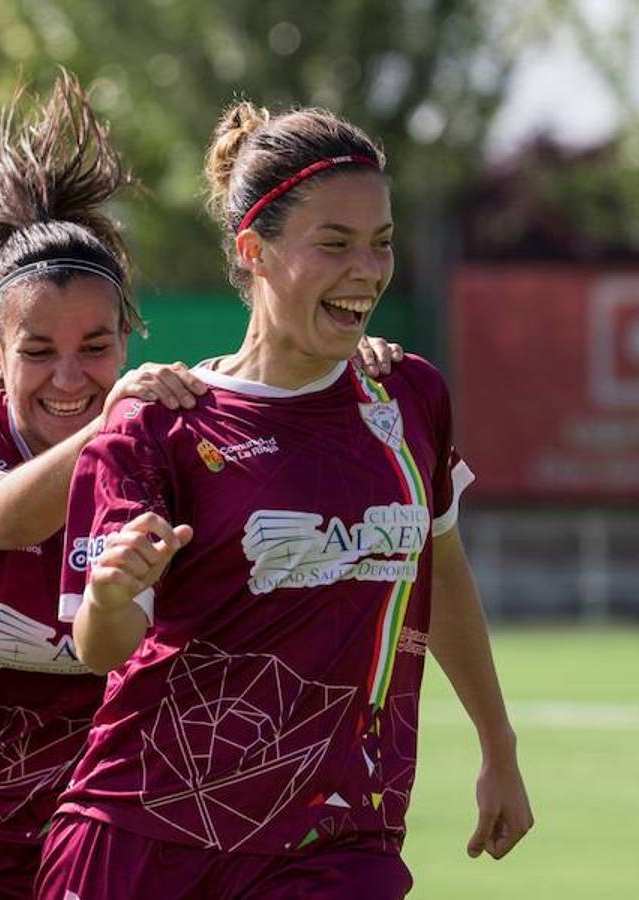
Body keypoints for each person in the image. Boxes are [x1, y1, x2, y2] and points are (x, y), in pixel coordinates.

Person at [0, 75, 405, 898]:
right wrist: (111, 420)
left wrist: (341, 366)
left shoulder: (169, 443)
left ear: (131, 338)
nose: (69, 376)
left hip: (111, 837)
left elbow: (268, 383)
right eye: (38, 350)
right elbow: (0, 516)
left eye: (97, 347)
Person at [38, 102, 533, 900]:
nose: (366, 271)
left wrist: (498, 748)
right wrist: (109, 590)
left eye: (382, 244)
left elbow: (439, 572)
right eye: (334, 245)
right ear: (254, 251)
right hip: (145, 835)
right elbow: (103, 647)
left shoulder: (406, 397)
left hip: (339, 840)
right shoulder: (158, 422)